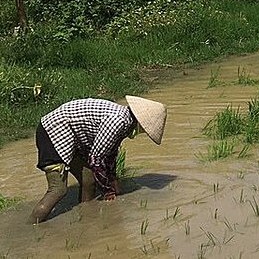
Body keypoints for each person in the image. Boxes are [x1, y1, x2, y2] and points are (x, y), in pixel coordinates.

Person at [31, 96, 167, 224]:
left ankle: (86, 219)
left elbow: (110, 152)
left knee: (89, 179)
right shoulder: (118, 121)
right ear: (140, 124)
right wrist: (107, 190)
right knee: (58, 190)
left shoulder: (125, 120)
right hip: (53, 133)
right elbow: (96, 158)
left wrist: (113, 179)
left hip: (68, 136)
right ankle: (31, 227)